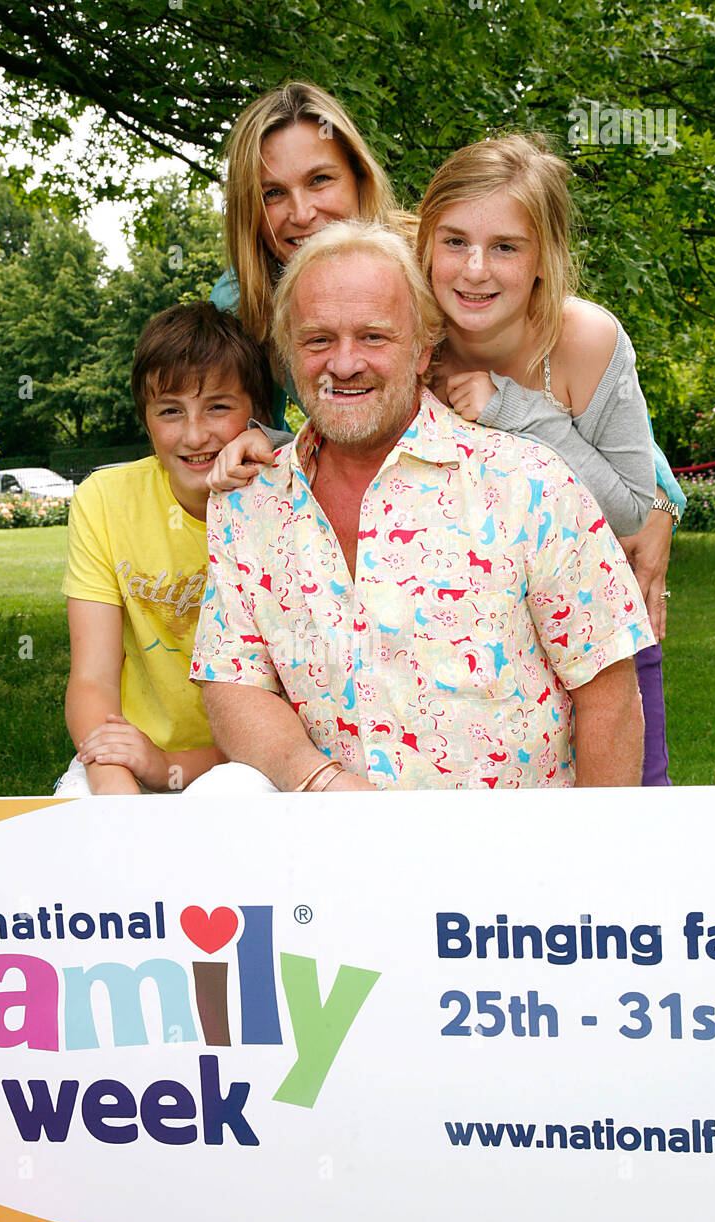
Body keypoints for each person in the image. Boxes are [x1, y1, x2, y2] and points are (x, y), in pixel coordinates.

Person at [189, 221, 655, 794]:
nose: (344, 363)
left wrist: (581, 871)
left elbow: (608, 696)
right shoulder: (248, 504)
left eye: (374, 337)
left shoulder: (529, 484)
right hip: (334, 862)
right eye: (317, 340)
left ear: (422, 349)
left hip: (513, 868)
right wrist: (319, 783)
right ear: (290, 351)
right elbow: (232, 682)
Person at [414, 134, 686, 785]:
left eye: (505, 247)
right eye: (453, 241)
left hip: (598, 635)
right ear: (423, 241)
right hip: (464, 646)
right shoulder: (405, 330)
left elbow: (627, 507)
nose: (474, 269)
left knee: (626, 821)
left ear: (543, 257)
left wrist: (513, 407)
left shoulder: (585, 339)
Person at [53, 301, 275, 796]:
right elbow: (92, 679)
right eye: (170, 411)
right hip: (127, 749)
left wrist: (170, 765)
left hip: (247, 763)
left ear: (257, 414)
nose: (195, 435)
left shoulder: (282, 504)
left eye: (218, 406)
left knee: (230, 803)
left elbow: (292, 715)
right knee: (80, 823)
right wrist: (117, 781)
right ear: (146, 419)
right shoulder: (105, 501)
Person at [209, 81, 400, 430]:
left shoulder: (437, 257)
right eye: (273, 193)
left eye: (320, 180)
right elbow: (252, 431)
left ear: (360, 177)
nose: (301, 214)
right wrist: (269, 444)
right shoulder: (239, 300)